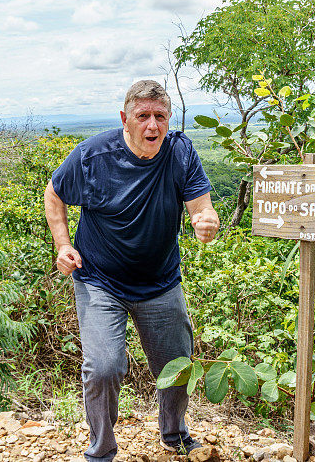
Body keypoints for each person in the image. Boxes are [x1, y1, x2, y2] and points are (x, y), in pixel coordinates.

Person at [44, 80, 220, 461]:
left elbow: (202, 209)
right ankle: (101, 451)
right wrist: (63, 245)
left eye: (160, 116)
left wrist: (205, 222)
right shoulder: (93, 156)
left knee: (177, 365)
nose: (152, 126)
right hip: (100, 280)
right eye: (143, 116)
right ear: (126, 119)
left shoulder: (180, 152)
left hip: (159, 281)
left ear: (169, 119)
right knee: (104, 367)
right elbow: (55, 193)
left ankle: (174, 435)